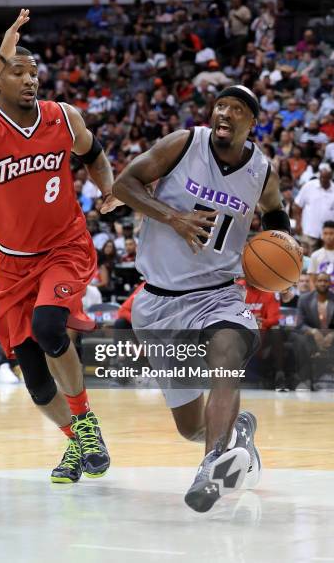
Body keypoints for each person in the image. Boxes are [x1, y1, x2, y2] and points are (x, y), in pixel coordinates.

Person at [0, 9, 122, 484]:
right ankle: (75, 445)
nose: (30, 81)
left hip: (65, 247)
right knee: (37, 383)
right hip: (14, 265)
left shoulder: (63, 117)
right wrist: (1, 53)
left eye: (34, 74)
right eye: (18, 73)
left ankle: (85, 422)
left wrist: (106, 188)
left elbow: (94, 153)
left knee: (49, 326)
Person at [113, 85, 295, 512]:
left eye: (236, 108)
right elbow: (125, 184)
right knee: (189, 425)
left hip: (218, 294)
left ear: (253, 123)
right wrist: (172, 217)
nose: (224, 113)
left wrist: (284, 253)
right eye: (220, 106)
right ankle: (236, 432)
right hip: (158, 302)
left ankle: (210, 469)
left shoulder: (261, 171)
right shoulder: (183, 144)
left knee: (228, 353)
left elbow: (275, 214)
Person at [308, 221, 334, 289]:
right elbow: (311, 280)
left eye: (331, 233)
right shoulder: (315, 255)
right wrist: (315, 298)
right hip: (321, 296)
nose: (328, 236)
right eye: (325, 233)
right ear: (322, 235)